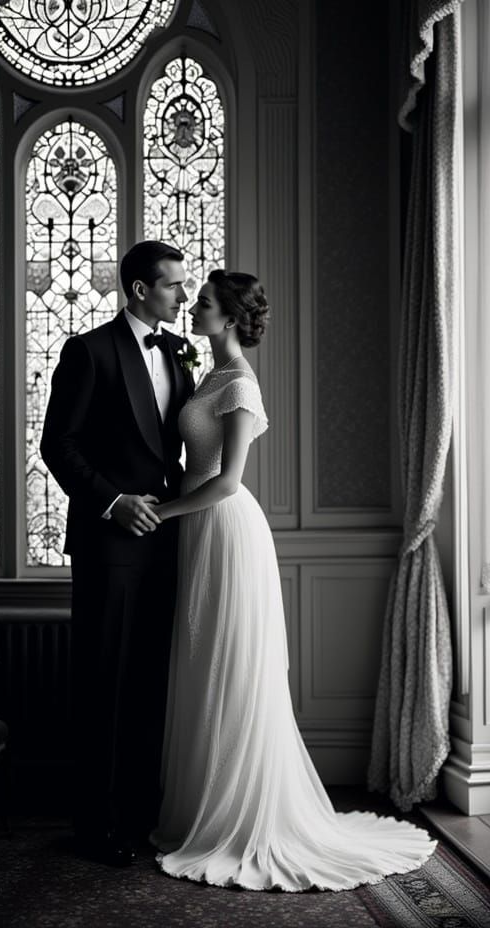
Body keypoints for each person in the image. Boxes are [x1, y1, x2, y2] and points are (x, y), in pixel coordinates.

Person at [149, 269, 437, 891]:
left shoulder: (241, 387)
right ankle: (202, 805)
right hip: (200, 530)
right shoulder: (209, 373)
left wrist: (158, 514)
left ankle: (242, 814)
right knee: (203, 664)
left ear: (228, 317)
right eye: (193, 299)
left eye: (202, 302)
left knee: (229, 665)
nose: (192, 307)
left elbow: (226, 481)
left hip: (224, 527)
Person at [40, 241, 193, 867]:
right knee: (103, 679)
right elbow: (59, 445)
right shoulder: (88, 351)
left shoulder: (179, 353)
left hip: (170, 539)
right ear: (138, 290)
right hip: (109, 543)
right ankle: (94, 825)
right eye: (172, 285)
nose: (183, 296)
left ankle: (140, 813)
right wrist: (112, 502)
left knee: (152, 681)